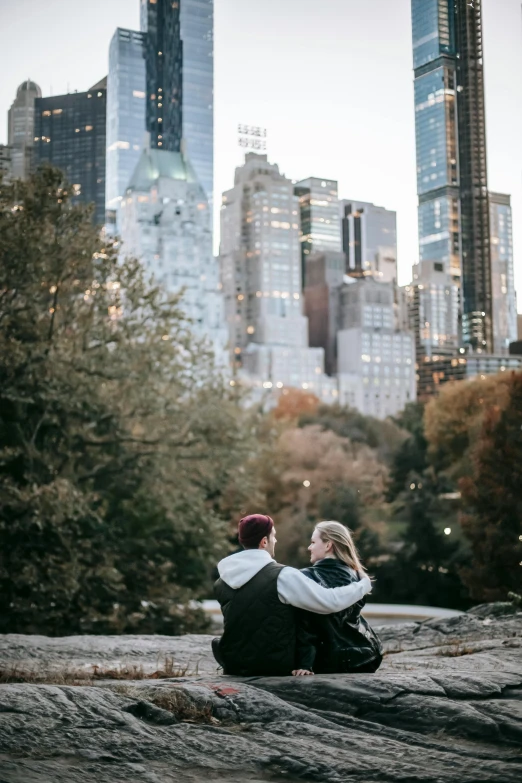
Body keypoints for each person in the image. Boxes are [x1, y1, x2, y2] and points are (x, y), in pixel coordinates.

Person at [212, 513, 372, 677]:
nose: (276, 541)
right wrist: (363, 585)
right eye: (273, 536)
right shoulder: (283, 576)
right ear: (264, 541)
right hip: (272, 665)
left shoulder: (222, 581)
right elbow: (330, 602)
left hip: (233, 663)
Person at [292, 521, 383, 677]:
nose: (309, 547)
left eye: (313, 542)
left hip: (327, 661)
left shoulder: (305, 577)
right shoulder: (359, 576)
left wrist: (304, 664)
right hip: (366, 657)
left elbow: (306, 626)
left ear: (328, 545)